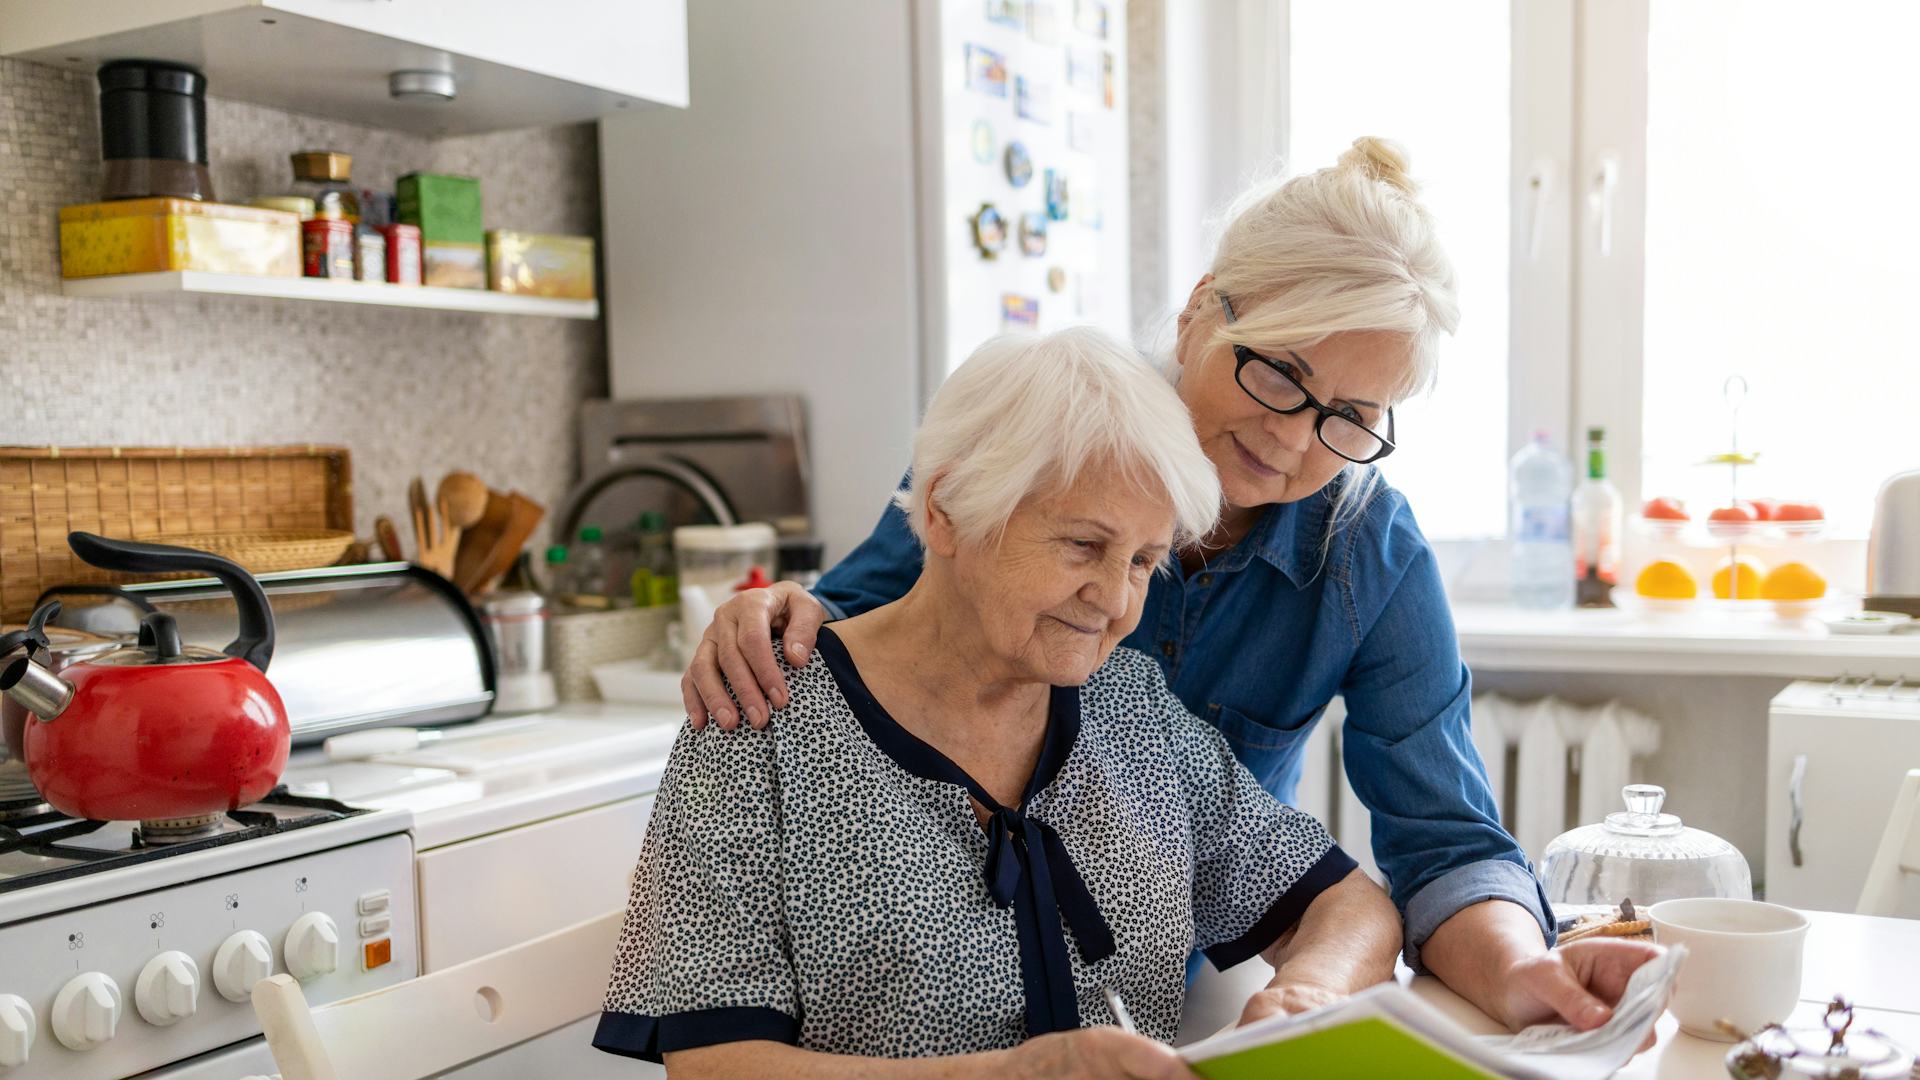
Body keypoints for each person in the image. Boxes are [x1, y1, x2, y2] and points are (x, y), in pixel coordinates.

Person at [681, 137, 1662, 1034]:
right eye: (1280, 373)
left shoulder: (1371, 552)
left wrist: (1522, 968)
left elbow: (1443, 843)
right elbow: (854, 637)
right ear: (1201, 310)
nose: (1289, 437)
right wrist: (771, 615)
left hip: (1161, 994)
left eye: (1349, 415)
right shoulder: (1037, 442)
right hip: (918, 1000)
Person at [597, 328, 1401, 1077]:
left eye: (1143, 561)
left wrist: (1309, 997)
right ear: (947, 511)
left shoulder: (1131, 707)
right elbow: (714, 1063)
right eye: (1084, 545)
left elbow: (1347, 904)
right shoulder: (764, 715)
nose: (1114, 602)